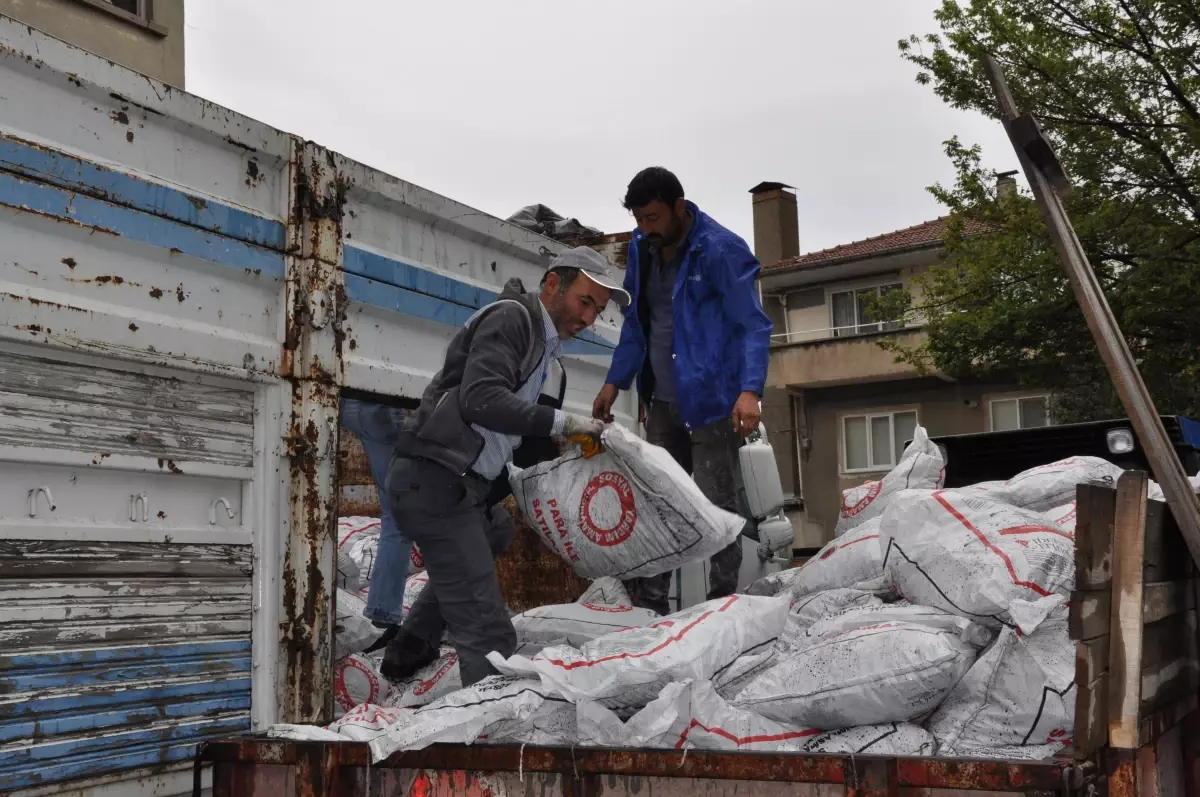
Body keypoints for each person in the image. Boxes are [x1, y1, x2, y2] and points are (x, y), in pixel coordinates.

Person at [381, 247, 629, 686]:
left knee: (496, 529)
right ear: (553, 284)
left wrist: (573, 459)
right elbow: (481, 400)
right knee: (490, 633)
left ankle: (412, 643)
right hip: (433, 477)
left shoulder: (546, 357)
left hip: (461, 485)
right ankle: (489, 734)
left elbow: (523, 443)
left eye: (598, 310)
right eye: (585, 302)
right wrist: (567, 423)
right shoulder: (513, 319)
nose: (590, 319)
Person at [593, 167, 773, 615]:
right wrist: (615, 381)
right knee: (659, 506)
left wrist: (749, 390)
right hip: (664, 404)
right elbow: (636, 322)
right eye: (639, 219)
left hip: (713, 402)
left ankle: (722, 608)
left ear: (679, 207)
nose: (645, 228)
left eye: (652, 217)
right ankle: (651, 612)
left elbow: (753, 325)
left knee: (717, 510)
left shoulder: (721, 250)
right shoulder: (641, 249)